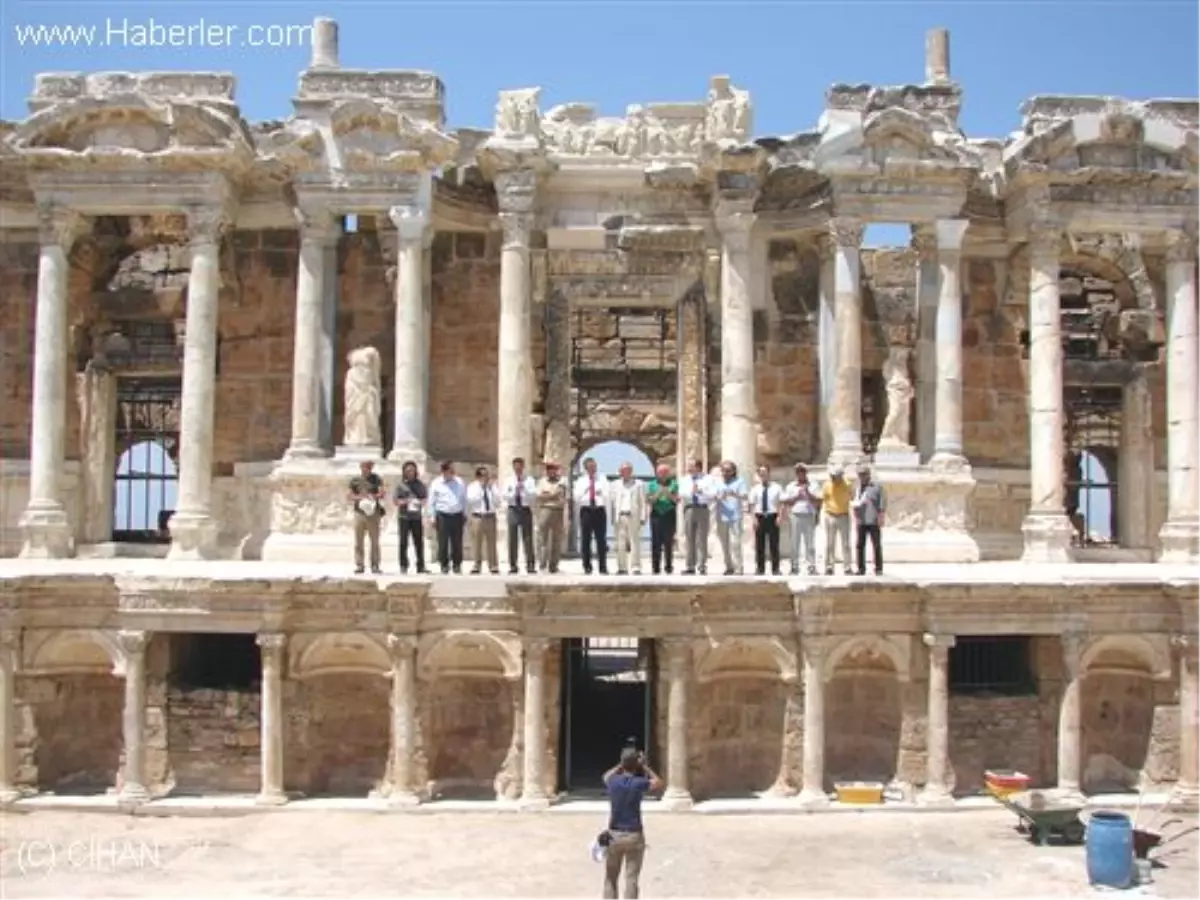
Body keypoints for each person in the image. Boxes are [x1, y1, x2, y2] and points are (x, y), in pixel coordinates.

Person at [601, 747, 663, 900]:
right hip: (634, 834)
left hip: (614, 834)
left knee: (610, 878)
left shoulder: (613, 782)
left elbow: (605, 776)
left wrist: (621, 764)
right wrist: (644, 766)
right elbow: (658, 783)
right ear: (636, 764)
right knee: (631, 878)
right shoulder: (639, 783)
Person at [428, 460, 467, 574]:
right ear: (444, 471)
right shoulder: (436, 483)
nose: (453, 472)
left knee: (457, 541)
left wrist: (464, 513)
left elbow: (463, 499)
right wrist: (432, 517)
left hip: (457, 515)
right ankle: (444, 565)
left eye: (453, 470)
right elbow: (432, 501)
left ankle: (457, 564)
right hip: (442, 515)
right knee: (443, 542)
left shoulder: (459, 482)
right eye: (450, 470)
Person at [782, 463, 820, 576]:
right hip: (796, 515)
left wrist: (808, 493)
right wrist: (797, 497)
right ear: (796, 473)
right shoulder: (791, 486)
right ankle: (794, 566)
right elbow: (786, 501)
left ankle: (811, 566)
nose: (801, 474)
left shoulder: (813, 485)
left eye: (803, 471)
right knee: (794, 543)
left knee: (810, 543)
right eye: (799, 472)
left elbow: (818, 500)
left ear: (806, 473)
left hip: (809, 515)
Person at [573, 457, 610, 575]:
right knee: (586, 539)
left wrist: (601, 492)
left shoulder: (602, 479)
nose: (593, 469)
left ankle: (603, 567)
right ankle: (587, 566)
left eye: (594, 466)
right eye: (590, 467)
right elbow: (576, 497)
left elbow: (608, 493)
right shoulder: (580, 481)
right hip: (586, 510)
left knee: (601, 540)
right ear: (586, 468)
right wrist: (587, 489)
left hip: (599, 510)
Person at [347, 460, 385, 575]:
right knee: (359, 540)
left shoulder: (376, 479)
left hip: (373, 513)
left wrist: (372, 496)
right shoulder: (355, 480)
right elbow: (349, 495)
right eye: (364, 467)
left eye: (368, 467)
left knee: (374, 540)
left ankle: (375, 565)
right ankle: (359, 565)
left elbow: (382, 493)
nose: (366, 469)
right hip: (360, 512)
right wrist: (360, 497)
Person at [609, 462, 646, 575]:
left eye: (628, 470)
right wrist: (612, 518)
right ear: (620, 471)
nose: (626, 472)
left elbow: (643, 501)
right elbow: (612, 502)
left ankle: (636, 567)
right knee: (620, 543)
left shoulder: (639, 484)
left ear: (631, 471)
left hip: (633, 515)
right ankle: (622, 567)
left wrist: (643, 516)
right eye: (623, 470)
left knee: (635, 542)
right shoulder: (615, 484)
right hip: (620, 516)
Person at [392, 460, 428, 574]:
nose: (410, 473)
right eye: (408, 471)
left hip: (416, 517)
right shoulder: (400, 485)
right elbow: (395, 501)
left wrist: (418, 502)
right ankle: (403, 565)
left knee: (419, 542)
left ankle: (420, 566)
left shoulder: (420, 485)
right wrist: (406, 502)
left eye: (412, 470)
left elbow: (425, 499)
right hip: (404, 516)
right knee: (403, 542)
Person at [502, 456, 537, 574]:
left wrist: (524, 490)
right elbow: (505, 496)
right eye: (516, 467)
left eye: (520, 467)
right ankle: (513, 565)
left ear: (523, 467)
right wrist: (514, 492)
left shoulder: (529, 480)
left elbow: (533, 496)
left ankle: (530, 564)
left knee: (528, 538)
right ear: (513, 467)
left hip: (525, 509)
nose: (518, 469)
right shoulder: (508, 480)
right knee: (512, 538)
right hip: (513, 509)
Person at [677, 459, 711, 575]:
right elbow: (682, 493)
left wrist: (700, 492)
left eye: (691, 466)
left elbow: (711, 494)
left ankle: (702, 566)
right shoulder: (684, 480)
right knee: (689, 538)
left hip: (702, 508)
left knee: (702, 538)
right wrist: (692, 493)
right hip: (689, 508)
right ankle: (690, 566)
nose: (689, 468)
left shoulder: (708, 479)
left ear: (698, 467)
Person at [714, 460, 748, 575]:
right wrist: (719, 497)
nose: (725, 473)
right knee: (724, 543)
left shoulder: (740, 481)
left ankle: (738, 567)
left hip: (735, 515)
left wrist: (734, 494)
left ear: (733, 471)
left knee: (735, 543)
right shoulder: (717, 482)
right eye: (723, 470)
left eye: (728, 471)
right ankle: (729, 566)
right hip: (721, 515)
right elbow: (713, 495)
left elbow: (744, 495)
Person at [466, 465, 501, 575]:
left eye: (487, 475)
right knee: (477, 542)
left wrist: (491, 489)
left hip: (490, 516)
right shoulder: (473, 487)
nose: (486, 478)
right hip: (478, 516)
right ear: (478, 476)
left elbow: (497, 501)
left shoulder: (493, 487)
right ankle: (477, 565)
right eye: (483, 475)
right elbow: (471, 500)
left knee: (491, 542)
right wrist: (482, 489)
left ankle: (493, 565)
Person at [645, 464, 679, 575]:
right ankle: (655, 568)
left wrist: (667, 493)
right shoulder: (652, 484)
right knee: (656, 542)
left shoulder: (674, 484)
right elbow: (649, 501)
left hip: (669, 513)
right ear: (657, 473)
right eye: (660, 472)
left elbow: (676, 500)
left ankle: (668, 567)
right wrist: (659, 493)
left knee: (668, 541)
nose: (663, 474)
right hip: (656, 514)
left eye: (665, 472)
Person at [852, 465, 886, 575]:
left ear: (868, 475)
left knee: (876, 544)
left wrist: (881, 517)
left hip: (873, 519)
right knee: (860, 545)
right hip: (861, 520)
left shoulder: (877, 487)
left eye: (863, 474)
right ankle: (861, 568)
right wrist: (856, 517)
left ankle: (878, 568)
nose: (861, 477)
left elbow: (882, 502)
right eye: (860, 475)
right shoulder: (857, 488)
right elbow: (854, 503)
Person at [749, 464, 782, 576]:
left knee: (774, 544)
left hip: (772, 516)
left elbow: (780, 503)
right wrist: (753, 519)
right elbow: (752, 505)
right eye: (761, 474)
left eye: (765, 473)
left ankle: (775, 568)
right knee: (759, 545)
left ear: (769, 473)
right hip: (760, 516)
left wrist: (779, 516)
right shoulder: (755, 489)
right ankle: (760, 568)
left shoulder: (777, 487)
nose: (764, 476)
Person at [535, 460, 568, 573]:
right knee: (542, 539)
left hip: (558, 511)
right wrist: (553, 495)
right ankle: (542, 564)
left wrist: (547, 495)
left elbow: (562, 496)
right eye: (549, 469)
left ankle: (554, 566)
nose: (551, 471)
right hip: (545, 510)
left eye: (553, 469)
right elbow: (539, 496)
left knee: (556, 540)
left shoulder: (562, 481)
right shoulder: (541, 482)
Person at [821, 466, 854, 576]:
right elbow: (825, 499)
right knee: (830, 543)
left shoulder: (848, 485)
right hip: (830, 515)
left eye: (836, 476)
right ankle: (829, 567)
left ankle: (847, 567)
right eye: (832, 476)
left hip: (844, 515)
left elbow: (852, 497)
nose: (834, 478)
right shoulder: (827, 485)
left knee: (846, 543)